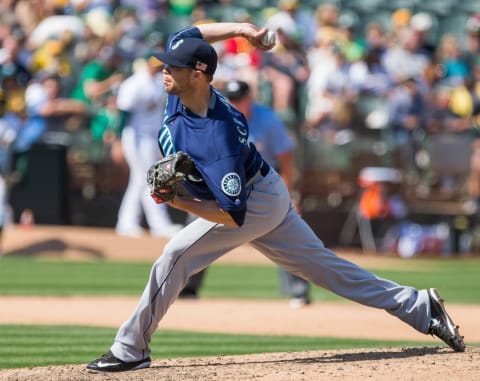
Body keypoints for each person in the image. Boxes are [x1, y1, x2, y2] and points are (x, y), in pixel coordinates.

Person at [87, 22, 465, 373]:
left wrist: (174, 201)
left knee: (175, 256)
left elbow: (232, 215)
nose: (163, 71)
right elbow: (192, 32)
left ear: (198, 74)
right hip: (265, 189)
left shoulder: (216, 138)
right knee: (326, 270)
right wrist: (242, 30)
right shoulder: (186, 86)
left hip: (253, 202)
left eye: (172, 68)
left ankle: (130, 349)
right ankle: (419, 305)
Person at [180, 79, 311, 306]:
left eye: (240, 98)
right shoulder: (216, 117)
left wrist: (289, 196)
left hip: (263, 187)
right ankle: (188, 289)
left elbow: (286, 160)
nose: (235, 103)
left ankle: (299, 291)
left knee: (289, 230)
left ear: (250, 98)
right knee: (194, 226)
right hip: (224, 187)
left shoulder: (267, 119)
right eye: (231, 98)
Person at [114, 55, 183, 238]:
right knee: (149, 179)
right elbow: (122, 114)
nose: (157, 68)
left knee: (139, 180)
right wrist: (117, 142)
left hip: (151, 137)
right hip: (134, 136)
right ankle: (159, 224)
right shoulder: (134, 84)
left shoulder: (159, 83)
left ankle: (126, 223)